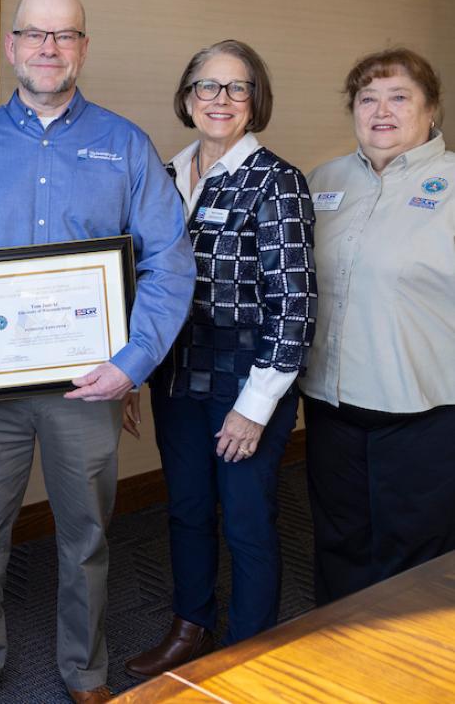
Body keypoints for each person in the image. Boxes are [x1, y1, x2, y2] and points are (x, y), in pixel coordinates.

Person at [0, 0, 195, 704]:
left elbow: (171, 262)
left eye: (64, 36)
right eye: (35, 35)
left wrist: (131, 365)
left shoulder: (126, 145)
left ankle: (86, 671)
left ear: (83, 48)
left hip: (88, 388)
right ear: (11, 46)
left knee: (87, 537)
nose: (48, 48)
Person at [124, 41, 316, 678]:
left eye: (237, 88)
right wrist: (131, 370)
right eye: (208, 86)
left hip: (247, 379)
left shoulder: (277, 181)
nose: (221, 100)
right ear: (186, 97)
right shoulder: (164, 175)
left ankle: (250, 651)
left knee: (248, 519)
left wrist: (255, 409)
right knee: (184, 509)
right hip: (177, 376)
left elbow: (295, 306)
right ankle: (191, 626)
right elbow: (141, 281)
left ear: (255, 100)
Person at [299, 48, 455, 605]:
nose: (380, 111)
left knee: (417, 560)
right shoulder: (322, 181)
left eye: (399, 97)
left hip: (424, 418)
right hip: (330, 409)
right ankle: (340, 657)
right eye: (368, 98)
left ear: (431, 109)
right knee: (339, 544)